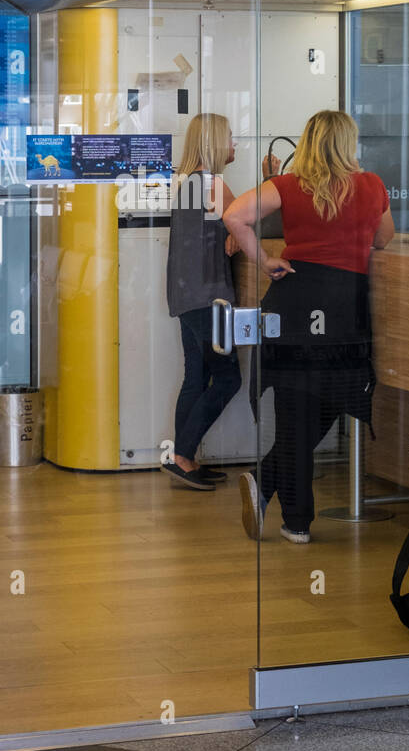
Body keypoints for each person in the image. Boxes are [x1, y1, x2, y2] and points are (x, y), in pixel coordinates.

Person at [224, 109, 394, 542]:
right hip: (344, 309)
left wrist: (263, 262)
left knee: (295, 409)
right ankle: (282, 506)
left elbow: (235, 217)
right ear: (347, 143)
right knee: (333, 398)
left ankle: (292, 515)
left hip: (294, 301)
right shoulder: (372, 185)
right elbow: (384, 239)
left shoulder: (286, 186)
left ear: (309, 142)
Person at [163, 113, 242, 491]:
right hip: (209, 296)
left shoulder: (188, 181)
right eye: (230, 138)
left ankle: (186, 460)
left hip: (186, 295)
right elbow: (246, 222)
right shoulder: (212, 183)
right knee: (228, 378)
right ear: (214, 142)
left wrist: (231, 233)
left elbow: (229, 228)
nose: (235, 144)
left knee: (196, 376)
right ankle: (182, 455)